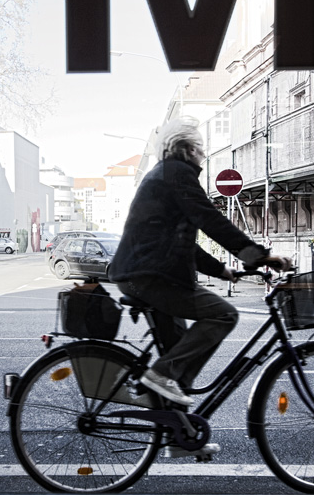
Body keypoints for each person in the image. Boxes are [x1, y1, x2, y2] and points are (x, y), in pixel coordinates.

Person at [110, 116, 291, 408]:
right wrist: (259, 256)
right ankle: (160, 376)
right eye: (201, 148)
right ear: (188, 148)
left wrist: (222, 271)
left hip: (140, 274)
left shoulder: (163, 174)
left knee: (180, 353)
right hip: (151, 277)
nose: (204, 154)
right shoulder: (177, 173)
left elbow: (180, 241)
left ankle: (179, 433)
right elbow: (210, 219)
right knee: (223, 315)